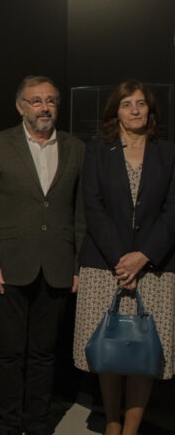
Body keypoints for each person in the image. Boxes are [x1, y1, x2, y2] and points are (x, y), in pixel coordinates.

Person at [0, 75, 84, 435]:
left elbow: (80, 213)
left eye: (51, 101)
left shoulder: (75, 148)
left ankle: (38, 423)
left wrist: (77, 265)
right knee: (8, 352)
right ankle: (8, 424)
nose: (44, 108)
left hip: (57, 265)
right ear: (20, 106)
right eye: (36, 101)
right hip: (7, 265)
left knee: (44, 353)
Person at [73, 80, 175, 435]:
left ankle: (130, 429)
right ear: (114, 112)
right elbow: (93, 207)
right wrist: (123, 259)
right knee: (111, 352)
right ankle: (112, 424)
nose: (135, 110)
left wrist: (144, 256)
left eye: (141, 103)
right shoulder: (97, 151)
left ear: (150, 110)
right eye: (127, 104)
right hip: (106, 265)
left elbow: (172, 210)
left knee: (144, 354)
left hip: (155, 267)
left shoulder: (168, 152)